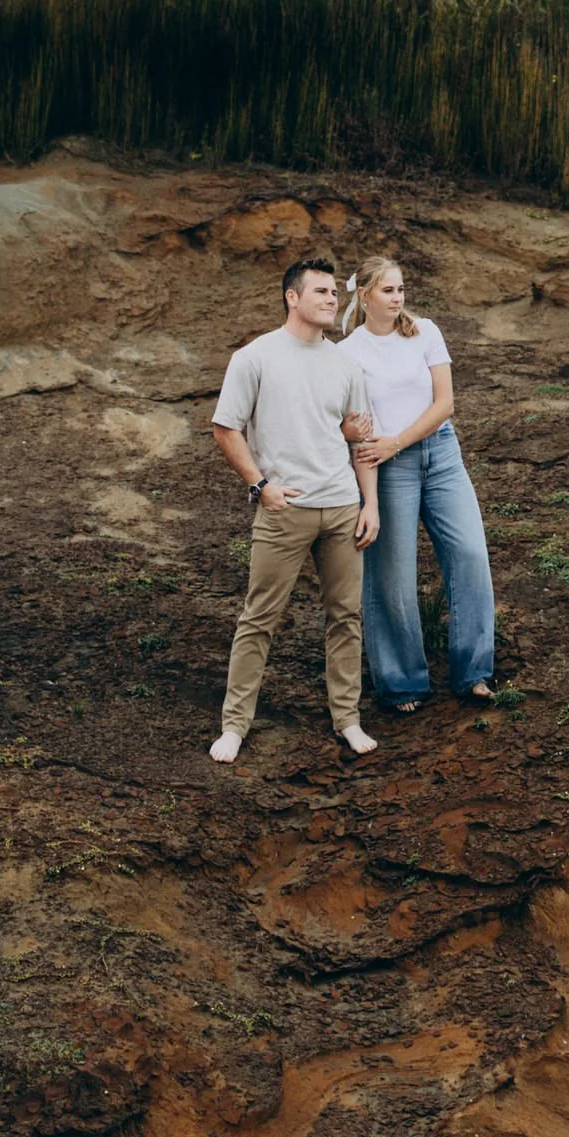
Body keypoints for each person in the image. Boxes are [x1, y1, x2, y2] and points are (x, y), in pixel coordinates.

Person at [208, 255, 381, 765]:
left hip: (343, 507)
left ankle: (347, 720)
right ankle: (234, 726)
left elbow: (359, 441)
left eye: (335, 293)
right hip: (285, 509)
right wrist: (260, 486)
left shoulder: (347, 364)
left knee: (345, 617)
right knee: (259, 618)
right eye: (323, 292)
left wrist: (369, 502)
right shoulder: (255, 358)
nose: (333, 300)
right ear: (293, 297)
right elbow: (225, 427)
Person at [343, 254, 495, 712]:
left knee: (469, 552)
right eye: (388, 290)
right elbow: (357, 429)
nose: (398, 298)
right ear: (365, 294)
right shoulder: (348, 353)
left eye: (401, 290)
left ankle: (474, 672)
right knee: (392, 575)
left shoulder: (425, 332)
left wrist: (399, 441)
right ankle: (402, 682)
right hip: (390, 468)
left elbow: (445, 402)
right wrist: (369, 490)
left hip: (441, 453)